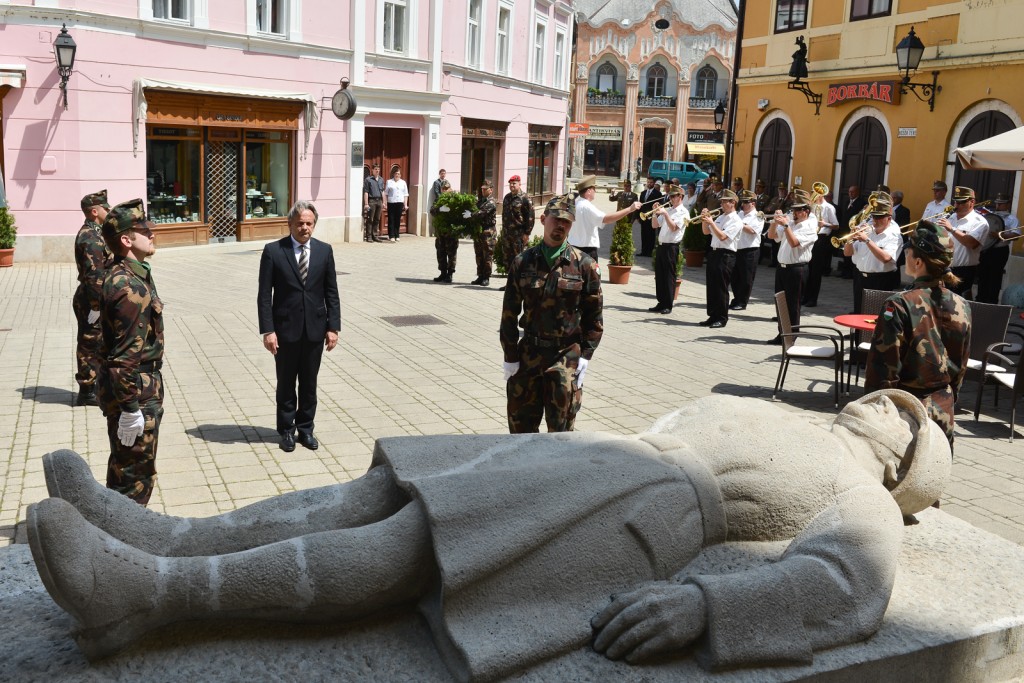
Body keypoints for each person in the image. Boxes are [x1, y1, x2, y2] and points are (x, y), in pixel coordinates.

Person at [29, 389, 950, 679]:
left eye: (901, 417)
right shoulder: (766, 405)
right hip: (589, 457)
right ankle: (165, 534)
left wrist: (708, 604)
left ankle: (152, 594)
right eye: (888, 398)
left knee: (410, 548)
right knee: (372, 491)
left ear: (901, 463)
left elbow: (846, 586)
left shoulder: (860, 495)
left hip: (646, 512)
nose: (882, 403)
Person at [502, 194, 603, 433]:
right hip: (529, 355)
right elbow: (509, 313)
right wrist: (510, 355)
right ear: (543, 219)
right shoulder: (522, 262)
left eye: (566, 221)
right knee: (520, 432)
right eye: (556, 219)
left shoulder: (584, 265)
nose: (560, 225)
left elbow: (594, 315)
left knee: (561, 435)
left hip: (565, 356)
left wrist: (586, 354)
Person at [866, 222, 971, 447]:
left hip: (905, 413)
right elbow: (961, 363)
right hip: (944, 409)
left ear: (918, 262)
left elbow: (884, 366)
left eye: (908, 251)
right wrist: (949, 398)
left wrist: (875, 411)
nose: (905, 256)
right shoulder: (962, 304)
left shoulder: (899, 303)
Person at [257, 201, 341, 453]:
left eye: (309, 223)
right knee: (285, 383)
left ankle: (305, 429)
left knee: (309, 383)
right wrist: (268, 330)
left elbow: (331, 292)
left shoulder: (324, 251)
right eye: (300, 223)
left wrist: (333, 327)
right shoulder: (274, 251)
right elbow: (264, 295)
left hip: (315, 329)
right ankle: (286, 430)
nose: (305, 228)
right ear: (290, 224)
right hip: (285, 330)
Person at [96, 199, 163, 505]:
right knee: (134, 479)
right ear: (126, 240)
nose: (152, 233)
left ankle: (116, 525)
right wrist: (130, 409)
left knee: (126, 470)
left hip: (137, 387)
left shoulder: (132, 273)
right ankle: (122, 532)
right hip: (135, 390)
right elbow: (123, 358)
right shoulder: (129, 287)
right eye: (144, 230)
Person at [72, 189, 112, 407]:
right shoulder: (90, 237)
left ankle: (95, 385)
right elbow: (94, 276)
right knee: (90, 343)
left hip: (95, 297)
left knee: (97, 341)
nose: (109, 211)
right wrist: (97, 307)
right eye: (105, 208)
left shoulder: (97, 233)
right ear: (95, 211)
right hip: (91, 299)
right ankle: (87, 390)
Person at [767, 189, 816, 344]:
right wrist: (774, 222)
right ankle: (782, 333)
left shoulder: (809, 227)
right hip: (782, 267)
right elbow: (771, 236)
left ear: (806, 211)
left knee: (793, 304)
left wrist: (786, 225)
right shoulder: (791, 223)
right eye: (793, 209)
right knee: (780, 302)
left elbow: (794, 243)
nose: (794, 213)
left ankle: (791, 336)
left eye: (798, 210)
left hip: (797, 269)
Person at [843, 195, 903, 313]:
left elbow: (886, 258)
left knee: (875, 315)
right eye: (874, 216)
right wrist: (850, 238)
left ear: (889, 218)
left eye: (879, 217)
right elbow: (847, 253)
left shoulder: (894, 236)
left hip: (880, 280)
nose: (875, 220)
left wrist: (867, 240)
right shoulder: (867, 230)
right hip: (860, 277)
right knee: (858, 313)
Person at [568, 176, 641, 261]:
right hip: (585, 251)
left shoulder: (575, 203)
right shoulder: (587, 206)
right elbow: (606, 219)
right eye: (594, 189)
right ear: (589, 191)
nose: (595, 191)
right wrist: (630, 209)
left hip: (573, 247)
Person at [699, 189, 742, 328]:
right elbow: (706, 232)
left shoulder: (736, 220)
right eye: (721, 202)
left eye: (724, 202)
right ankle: (713, 315)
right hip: (714, 253)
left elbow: (723, 237)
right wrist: (704, 220)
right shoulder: (721, 217)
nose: (721, 204)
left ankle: (722, 318)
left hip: (726, 255)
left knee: (721, 287)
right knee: (712, 286)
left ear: (733, 203)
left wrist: (711, 222)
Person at [936, 185, 989, 298]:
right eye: (956, 202)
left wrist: (952, 229)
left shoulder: (979, 222)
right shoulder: (950, 218)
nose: (956, 205)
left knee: (957, 303)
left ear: (972, 202)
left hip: (963, 271)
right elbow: (944, 242)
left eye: (961, 202)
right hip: (944, 268)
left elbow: (971, 243)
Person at [649, 186, 687, 314]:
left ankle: (668, 304)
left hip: (671, 247)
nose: (670, 199)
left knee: (669, 276)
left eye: (673, 196)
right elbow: (655, 225)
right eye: (670, 196)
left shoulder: (683, 212)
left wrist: (665, 214)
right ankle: (661, 302)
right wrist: (654, 213)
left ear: (680, 197)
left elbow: (674, 228)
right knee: (659, 275)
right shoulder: (669, 210)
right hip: (661, 245)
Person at [977, 192, 1020, 304]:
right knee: (982, 275)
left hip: (1000, 251)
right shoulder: (990, 216)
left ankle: (992, 302)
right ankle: (980, 300)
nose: (998, 206)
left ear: (1008, 204)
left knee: (995, 276)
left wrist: (1000, 235)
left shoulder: (1012, 219)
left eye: (1001, 204)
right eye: (997, 203)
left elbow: (1016, 236)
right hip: (986, 250)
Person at [802, 189, 840, 307]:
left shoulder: (829, 207)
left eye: (816, 194)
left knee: (816, 271)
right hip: (810, 237)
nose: (813, 196)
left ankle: (813, 299)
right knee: (807, 269)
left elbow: (836, 225)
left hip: (821, 238)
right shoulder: (812, 206)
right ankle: (805, 297)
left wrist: (825, 224)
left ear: (821, 195)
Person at [498, 174, 535, 291]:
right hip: (507, 234)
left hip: (518, 234)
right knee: (507, 259)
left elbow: (530, 217)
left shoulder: (525, 198)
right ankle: (510, 284)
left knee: (518, 259)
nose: (512, 186)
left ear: (519, 184)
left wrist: (527, 234)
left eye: (514, 183)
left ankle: (519, 285)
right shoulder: (507, 197)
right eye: (510, 184)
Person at [729, 189, 762, 311]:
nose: (743, 205)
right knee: (735, 278)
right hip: (737, 249)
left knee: (746, 278)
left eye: (746, 202)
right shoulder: (740, 214)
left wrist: (739, 223)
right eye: (742, 202)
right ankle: (736, 299)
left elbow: (752, 230)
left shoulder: (758, 216)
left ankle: (742, 302)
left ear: (753, 203)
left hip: (750, 250)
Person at [429, 179, 460, 283]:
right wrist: (439, 209)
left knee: (451, 253)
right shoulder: (439, 200)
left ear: (450, 188)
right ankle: (443, 273)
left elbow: (459, 212)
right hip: (440, 232)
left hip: (451, 232)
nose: (444, 190)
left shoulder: (455, 200)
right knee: (440, 253)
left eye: (446, 188)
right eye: (443, 188)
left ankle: (450, 274)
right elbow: (432, 210)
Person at [470, 179, 497, 287]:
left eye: (485, 189)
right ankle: (480, 275)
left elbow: (481, 213)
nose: (483, 191)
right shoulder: (480, 201)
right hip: (479, 231)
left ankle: (486, 277)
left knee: (487, 255)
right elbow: (474, 209)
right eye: (482, 189)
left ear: (491, 190)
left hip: (488, 232)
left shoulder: (491, 202)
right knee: (479, 254)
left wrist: (471, 214)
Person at [836, 185, 867, 278]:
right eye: (849, 192)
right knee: (845, 252)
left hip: (853, 231)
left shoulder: (862, 203)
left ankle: (849, 273)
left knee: (851, 252)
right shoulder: (846, 202)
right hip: (844, 230)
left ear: (858, 192)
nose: (850, 193)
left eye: (852, 192)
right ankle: (844, 271)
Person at [636, 177, 662, 257]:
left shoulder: (657, 194)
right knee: (643, 234)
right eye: (648, 182)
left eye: (651, 182)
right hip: (643, 217)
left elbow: (658, 206)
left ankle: (650, 252)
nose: (649, 184)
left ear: (654, 183)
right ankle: (643, 251)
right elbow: (640, 205)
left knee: (651, 235)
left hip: (651, 217)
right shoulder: (643, 193)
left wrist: (655, 216)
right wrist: (638, 216)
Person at [362, 164, 385, 242]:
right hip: (372, 201)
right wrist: (366, 203)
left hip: (379, 201)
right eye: (376, 169)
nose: (377, 171)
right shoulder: (368, 180)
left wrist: (384, 202)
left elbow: (382, 191)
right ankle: (369, 236)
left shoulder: (381, 179)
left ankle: (375, 235)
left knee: (377, 219)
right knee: (370, 219)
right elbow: (366, 192)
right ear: (372, 170)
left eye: (378, 169)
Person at [384, 168, 408, 243]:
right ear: (393, 174)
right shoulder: (389, 182)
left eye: (398, 174)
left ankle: (397, 235)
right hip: (391, 202)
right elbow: (386, 193)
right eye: (396, 173)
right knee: (391, 219)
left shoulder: (403, 182)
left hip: (399, 202)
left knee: (397, 219)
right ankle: (391, 235)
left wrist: (405, 204)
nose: (397, 175)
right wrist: (385, 203)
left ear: (400, 175)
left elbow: (405, 194)